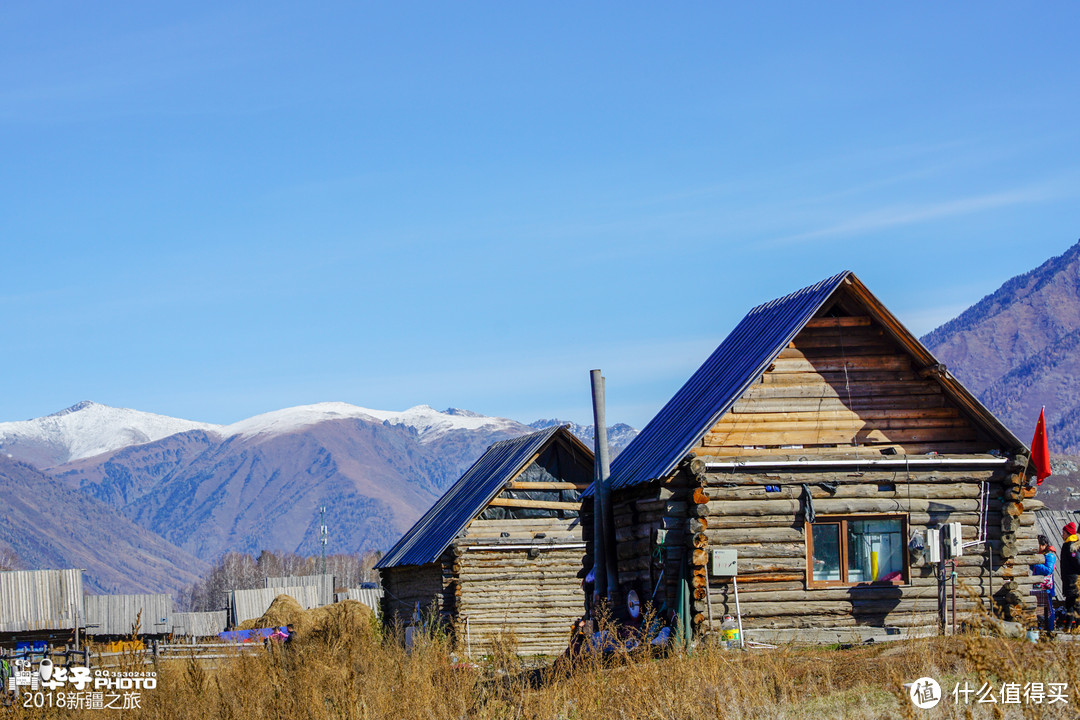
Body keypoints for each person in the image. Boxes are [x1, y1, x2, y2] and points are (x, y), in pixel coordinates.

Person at [1032, 534, 1058, 631]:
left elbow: (1048, 570)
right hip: (1039, 586)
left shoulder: (1050, 556)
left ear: (1043, 545)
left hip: (1046, 587)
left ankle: (1050, 629)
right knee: (1040, 610)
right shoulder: (1041, 555)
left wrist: (1036, 563)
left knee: (1048, 609)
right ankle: (1043, 627)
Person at [1059, 523, 1080, 627]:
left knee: (1073, 603)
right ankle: (1069, 626)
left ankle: (1073, 626)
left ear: (1068, 533)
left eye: (1064, 533)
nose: (1062, 535)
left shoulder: (1072, 546)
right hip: (1069, 579)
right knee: (1070, 603)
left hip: (1073, 580)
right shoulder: (1068, 544)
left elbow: (1077, 562)